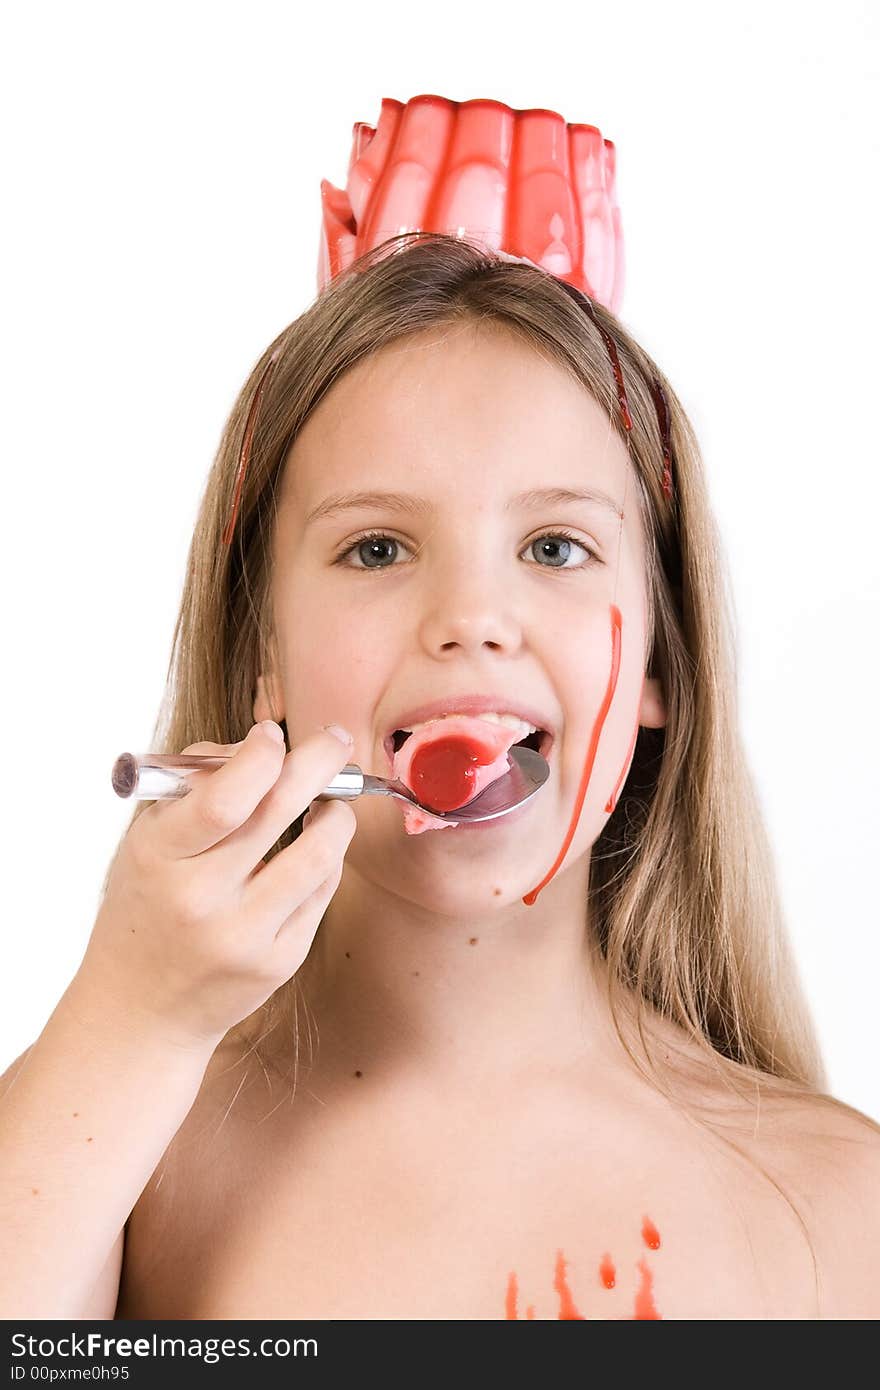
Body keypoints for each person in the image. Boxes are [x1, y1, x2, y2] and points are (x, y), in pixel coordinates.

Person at [2, 230, 878, 1321]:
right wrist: (126, 1018)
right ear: (264, 654)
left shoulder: (841, 1209)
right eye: (376, 548)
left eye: (555, 547)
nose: (469, 619)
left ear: (659, 656)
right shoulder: (114, 1160)